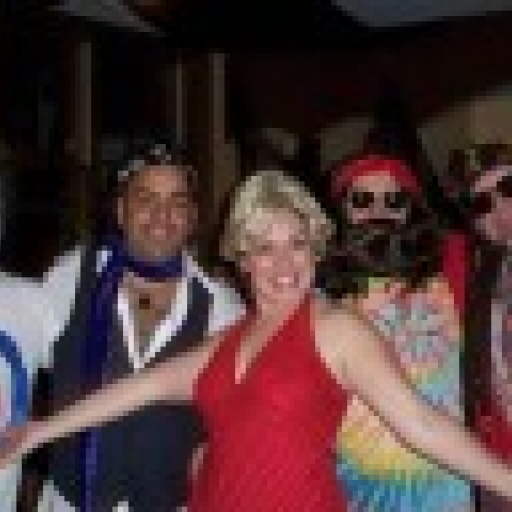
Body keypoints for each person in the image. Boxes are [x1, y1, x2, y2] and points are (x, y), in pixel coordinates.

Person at [3, 168, 512, 512]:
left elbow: (422, 423)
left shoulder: (336, 329)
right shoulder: (228, 337)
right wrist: (39, 431)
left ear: (316, 250)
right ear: (242, 259)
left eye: (297, 244)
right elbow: (141, 388)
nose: (284, 264)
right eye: (265, 248)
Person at [34, 134, 244, 512]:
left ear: (192, 217)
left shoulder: (221, 306)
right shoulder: (70, 278)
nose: (162, 215)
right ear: (120, 210)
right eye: (146, 199)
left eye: (177, 202)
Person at [324, 154, 472, 511]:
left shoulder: (453, 269)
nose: (379, 212)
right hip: (361, 490)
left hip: (451, 484)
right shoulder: (318, 290)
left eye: (394, 200)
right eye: (362, 200)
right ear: (341, 211)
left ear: (411, 210)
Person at [449, 143, 512, 511]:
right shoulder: (473, 269)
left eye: (509, 189)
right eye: (482, 203)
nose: (501, 209)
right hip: (499, 462)